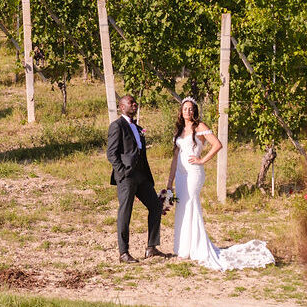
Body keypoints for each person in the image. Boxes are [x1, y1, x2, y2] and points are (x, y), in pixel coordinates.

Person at [166, 97, 275, 270]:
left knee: (192, 205)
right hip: (180, 174)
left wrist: (202, 160)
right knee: (182, 207)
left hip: (194, 173)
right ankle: (183, 249)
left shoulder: (199, 127)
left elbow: (217, 144)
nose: (188, 111)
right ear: (181, 111)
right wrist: (169, 182)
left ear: (194, 111)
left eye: (191, 108)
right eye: (185, 108)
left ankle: (197, 249)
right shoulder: (179, 130)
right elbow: (174, 157)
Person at [107, 94, 167, 262]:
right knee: (125, 213)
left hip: (142, 175)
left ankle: (151, 247)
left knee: (155, 206)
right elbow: (111, 154)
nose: (134, 104)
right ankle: (123, 253)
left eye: (135, 102)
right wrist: (122, 172)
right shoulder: (117, 126)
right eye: (130, 102)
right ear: (121, 107)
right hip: (126, 176)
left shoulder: (138, 127)